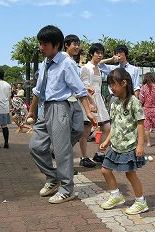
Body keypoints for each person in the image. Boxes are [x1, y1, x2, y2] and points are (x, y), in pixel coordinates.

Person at [27, 25, 96, 204]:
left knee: (61, 150)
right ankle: (53, 177)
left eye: (45, 44)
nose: (41, 48)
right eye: (40, 44)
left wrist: (89, 111)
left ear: (57, 45)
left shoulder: (66, 63)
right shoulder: (45, 63)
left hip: (60, 107)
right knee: (35, 147)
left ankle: (67, 189)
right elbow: (37, 90)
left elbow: (79, 90)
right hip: (45, 108)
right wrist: (31, 111)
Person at [99, 67, 148, 215]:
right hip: (115, 145)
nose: (111, 88)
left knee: (130, 174)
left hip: (130, 145)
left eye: (114, 84)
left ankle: (141, 202)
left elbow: (140, 123)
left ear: (124, 83)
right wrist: (107, 140)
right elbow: (114, 124)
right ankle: (116, 195)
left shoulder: (134, 101)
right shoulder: (114, 103)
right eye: (110, 85)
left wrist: (140, 145)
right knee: (105, 170)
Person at [63, 34, 97, 168]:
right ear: (66, 45)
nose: (77, 47)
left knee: (77, 130)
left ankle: (64, 159)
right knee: (74, 131)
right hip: (66, 102)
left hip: (73, 101)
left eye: (78, 44)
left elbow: (76, 83)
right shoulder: (65, 60)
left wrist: (85, 88)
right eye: (74, 44)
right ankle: (63, 161)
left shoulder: (71, 61)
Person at [79, 43, 111, 164]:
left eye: (101, 53)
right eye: (97, 53)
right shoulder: (86, 68)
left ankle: (99, 153)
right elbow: (84, 86)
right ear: (92, 54)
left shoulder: (99, 67)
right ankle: (84, 157)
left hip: (99, 100)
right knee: (86, 130)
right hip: (89, 100)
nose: (100, 55)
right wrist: (91, 102)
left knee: (107, 127)